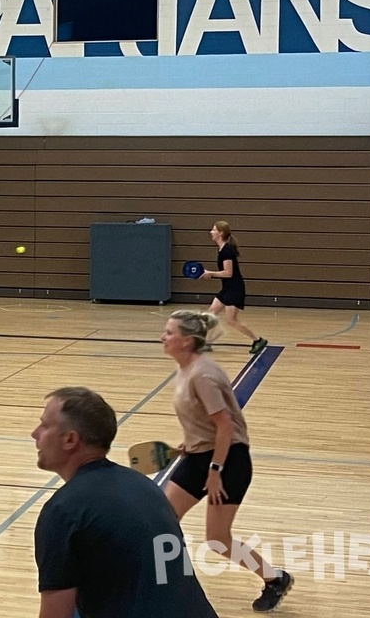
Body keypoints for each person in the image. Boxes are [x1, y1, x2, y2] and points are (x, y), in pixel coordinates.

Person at [32, 386, 218, 618]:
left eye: (45, 425)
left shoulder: (63, 512)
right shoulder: (145, 486)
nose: (35, 433)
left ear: (70, 440)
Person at [161, 310, 293, 613]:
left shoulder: (203, 375)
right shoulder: (185, 368)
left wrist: (215, 471)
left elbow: (226, 427)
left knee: (217, 540)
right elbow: (206, 422)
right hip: (200, 454)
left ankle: (276, 579)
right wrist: (191, 442)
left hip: (228, 460)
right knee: (162, 519)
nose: (163, 337)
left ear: (186, 341)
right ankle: (169, 584)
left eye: (169, 332)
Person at [200, 221, 267, 354]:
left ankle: (257, 340)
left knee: (231, 320)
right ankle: (206, 343)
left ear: (221, 233)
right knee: (209, 315)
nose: (211, 232)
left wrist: (210, 274)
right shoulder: (222, 249)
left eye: (214, 230)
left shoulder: (227, 251)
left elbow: (228, 273)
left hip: (234, 289)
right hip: (226, 289)